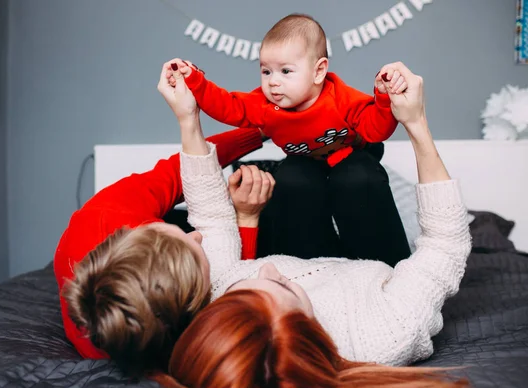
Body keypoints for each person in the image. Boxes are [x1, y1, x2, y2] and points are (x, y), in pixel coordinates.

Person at [158, 61, 473, 388]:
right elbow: (445, 245)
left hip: (304, 241)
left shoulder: (223, 300)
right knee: (357, 176)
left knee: (295, 175)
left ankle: (329, 157)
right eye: (284, 287)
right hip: (381, 270)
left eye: (248, 288)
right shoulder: (387, 333)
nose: (266, 267)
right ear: (312, 335)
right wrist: (415, 122)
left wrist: (188, 118)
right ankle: (355, 157)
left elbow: (210, 217)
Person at [53, 70, 277, 372]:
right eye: (195, 251)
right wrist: (247, 219)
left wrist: (261, 129)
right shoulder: (190, 340)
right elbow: (231, 286)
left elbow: (183, 171)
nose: (197, 236)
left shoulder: (108, 212)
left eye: (179, 234)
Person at [168, 13, 412, 266]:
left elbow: (376, 129)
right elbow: (228, 106)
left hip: (350, 152)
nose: (273, 82)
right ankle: (308, 267)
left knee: (358, 177)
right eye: (266, 71)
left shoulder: (340, 98)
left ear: (318, 72)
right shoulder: (265, 105)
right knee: (291, 180)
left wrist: (383, 98)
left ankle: (384, 265)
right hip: (304, 158)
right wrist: (196, 81)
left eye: (285, 71)